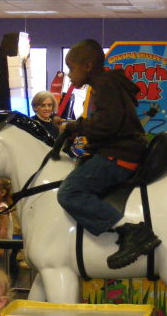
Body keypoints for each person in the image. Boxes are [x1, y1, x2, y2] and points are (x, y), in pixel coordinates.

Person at [57, 39, 161, 270]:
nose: (69, 75)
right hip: (122, 150)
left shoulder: (104, 85)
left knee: (69, 192)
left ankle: (130, 231)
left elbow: (107, 125)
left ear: (87, 65)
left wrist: (74, 126)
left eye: (71, 68)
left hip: (118, 155)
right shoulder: (110, 84)